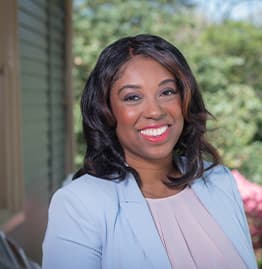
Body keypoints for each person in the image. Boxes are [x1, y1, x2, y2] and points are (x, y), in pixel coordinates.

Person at [42, 34, 257, 269]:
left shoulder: (219, 181)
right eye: (133, 97)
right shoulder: (80, 204)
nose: (155, 111)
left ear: (185, 99)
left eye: (167, 92)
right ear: (106, 111)